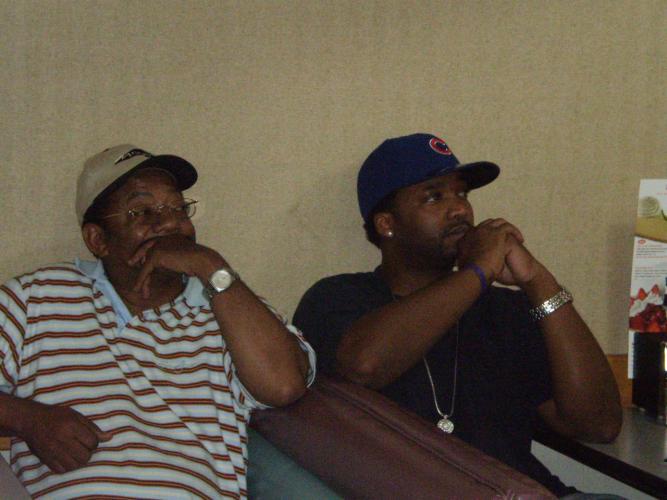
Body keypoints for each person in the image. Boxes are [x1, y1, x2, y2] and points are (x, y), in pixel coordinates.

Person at [293, 133, 622, 497]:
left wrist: (537, 281)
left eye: (462, 194)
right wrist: (478, 271)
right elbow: (364, 365)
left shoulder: (504, 309)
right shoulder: (337, 298)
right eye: (434, 197)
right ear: (387, 224)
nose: (460, 210)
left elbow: (599, 425)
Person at [0, 144, 316, 498]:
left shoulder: (229, 305)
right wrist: (28, 419)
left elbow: (283, 386)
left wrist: (211, 266)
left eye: (177, 208)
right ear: (98, 240)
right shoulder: (35, 297)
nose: (169, 223)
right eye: (142, 212)